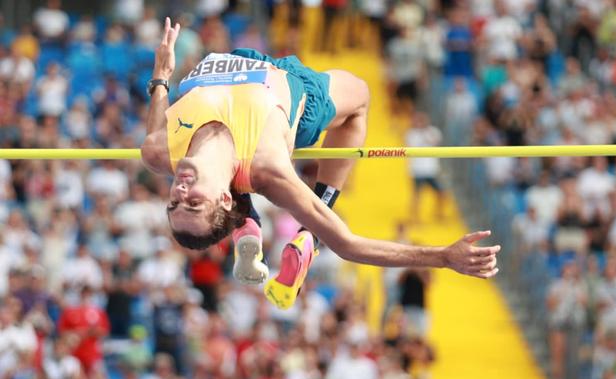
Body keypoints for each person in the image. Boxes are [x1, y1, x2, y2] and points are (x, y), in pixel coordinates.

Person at [141, 18, 501, 310]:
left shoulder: (159, 150)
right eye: (194, 203)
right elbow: (347, 244)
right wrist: (442, 257)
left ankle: (247, 221)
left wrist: (161, 76)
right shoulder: (270, 168)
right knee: (360, 96)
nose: (182, 191)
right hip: (291, 90)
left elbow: (159, 101)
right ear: (221, 199)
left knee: (220, 167)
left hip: (235, 65)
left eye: (174, 201)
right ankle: (306, 233)